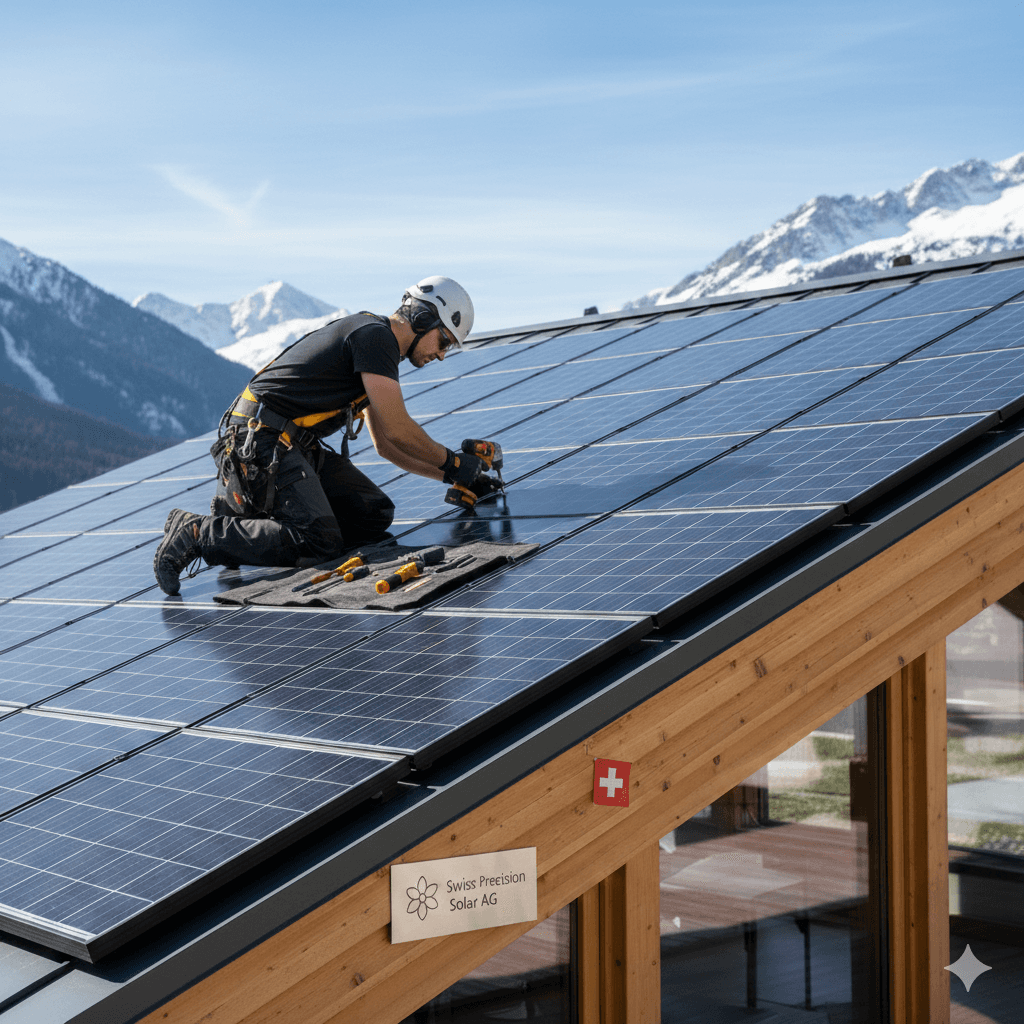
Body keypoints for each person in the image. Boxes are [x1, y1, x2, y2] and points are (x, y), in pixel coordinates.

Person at [153, 276, 500, 595]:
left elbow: (388, 446)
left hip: (288, 443)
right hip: (260, 440)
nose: (440, 354)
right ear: (423, 319)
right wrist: (455, 463)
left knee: (372, 514)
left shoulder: (377, 350)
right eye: (443, 341)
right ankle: (199, 532)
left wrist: (452, 477)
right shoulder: (375, 338)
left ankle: (249, 522)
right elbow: (399, 428)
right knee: (319, 541)